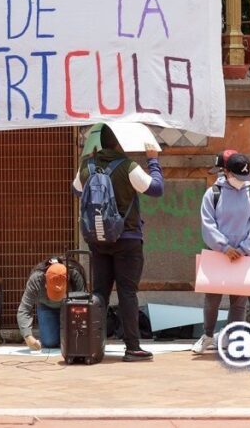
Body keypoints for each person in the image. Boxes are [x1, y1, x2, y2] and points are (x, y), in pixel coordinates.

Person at [72, 124, 163, 362]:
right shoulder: (128, 166)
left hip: (98, 239)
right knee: (127, 293)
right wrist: (152, 160)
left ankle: (91, 345)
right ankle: (132, 348)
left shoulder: (87, 166)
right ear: (119, 142)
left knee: (100, 292)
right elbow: (156, 188)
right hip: (127, 238)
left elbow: (75, 190)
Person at [193, 151, 250, 354]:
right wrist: (224, 247)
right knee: (212, 301)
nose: (241, 181)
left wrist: (245, 248)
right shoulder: (213, 194)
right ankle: (208, 335)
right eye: (237, 176)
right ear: (226, 172)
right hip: (218, 254)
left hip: (243, 256)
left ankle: (235, 338)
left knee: (239, 303)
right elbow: (207, 224)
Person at [17, 257, 85, 350]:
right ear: (45, 280)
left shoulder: (75, 275)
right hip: (46, 306)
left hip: (69, 308)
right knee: (49, 342)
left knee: (74, 340)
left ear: (67, 279)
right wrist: (27, 336)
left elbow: (83, 304)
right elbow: (24, 308)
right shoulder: (36, 279)